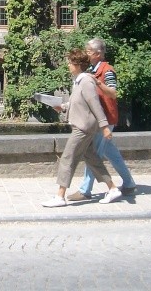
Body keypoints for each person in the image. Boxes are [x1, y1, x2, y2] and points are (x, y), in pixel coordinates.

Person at [42, 48, 122, 207]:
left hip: (84, 127)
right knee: (92, 159)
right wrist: (62, 107)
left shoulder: (86, 81)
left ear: (78, 64)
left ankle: (60, 196)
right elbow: (77, 103)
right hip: (83, 125)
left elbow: (95, 105)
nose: (68, 66)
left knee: (67, 158)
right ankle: (112, 189)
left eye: (70, 63)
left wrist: (105, 126)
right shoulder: (78, 80)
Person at [67, 38, 137, 201]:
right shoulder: (90, 69)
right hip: (97, 119)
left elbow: (113, 93)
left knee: (93, 154)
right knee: (111, 153)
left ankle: (85, 190)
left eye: (89, 51)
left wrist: (98, 83)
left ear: (98, 54)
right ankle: (129, 183)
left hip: (104, 119)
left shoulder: (107, 71)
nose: (86, 53)